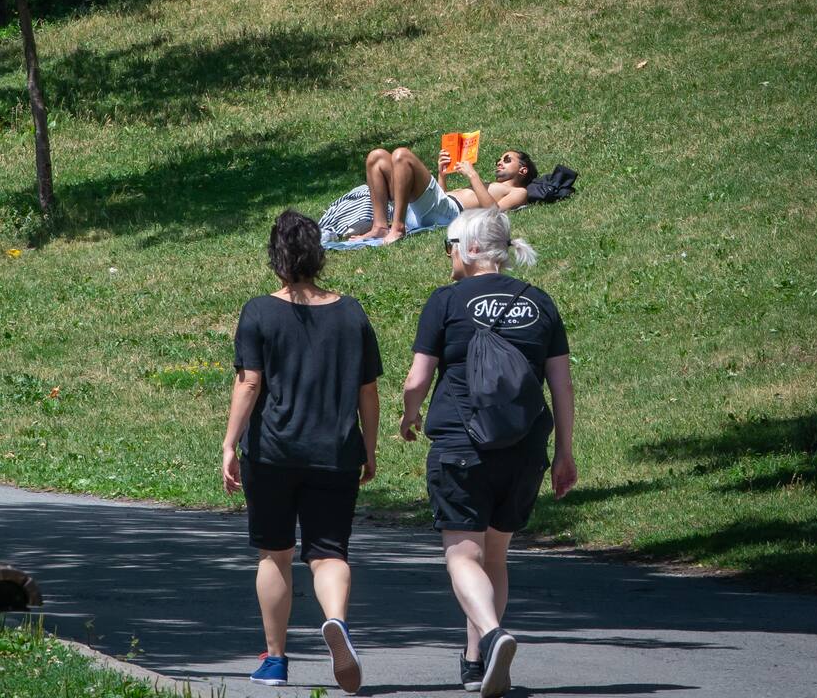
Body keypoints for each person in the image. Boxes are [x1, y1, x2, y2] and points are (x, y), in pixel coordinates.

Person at [398, 207, 576, 697]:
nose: (448, 256)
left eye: (449, 246)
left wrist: (409, 415)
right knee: (494, 553)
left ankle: (494, 636)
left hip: (461, 443)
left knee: (461, 554)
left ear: (471, 248)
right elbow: (561, 385)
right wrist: (564, 451)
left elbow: (417, 379)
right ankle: (476, 660)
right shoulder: (540, 303)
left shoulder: (446, 301)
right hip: (523, 449)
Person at [222, 209, 382, 694]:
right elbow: (368, 392)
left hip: (271, 452)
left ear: (276, 258)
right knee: (329, 553)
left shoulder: (259, 312)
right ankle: (335, 622)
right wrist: (368, 450)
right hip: (335, 451)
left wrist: (230, 442)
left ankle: (274, 660)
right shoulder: (351, 312)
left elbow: (250, 383)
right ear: (319, 255)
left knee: (275, 554)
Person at [351, 147, 539, 245]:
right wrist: (442, 175)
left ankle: (397, 227)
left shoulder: (518, 192)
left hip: (448, 213)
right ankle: (380, 227)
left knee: (402, 155)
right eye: (499, 160)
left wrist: (473, 175)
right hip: (435, 208)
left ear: (523, 170)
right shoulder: (490, 186)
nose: (500, 163)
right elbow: (443, 199)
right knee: (376, 157)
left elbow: (494, 213)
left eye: (507, 160)